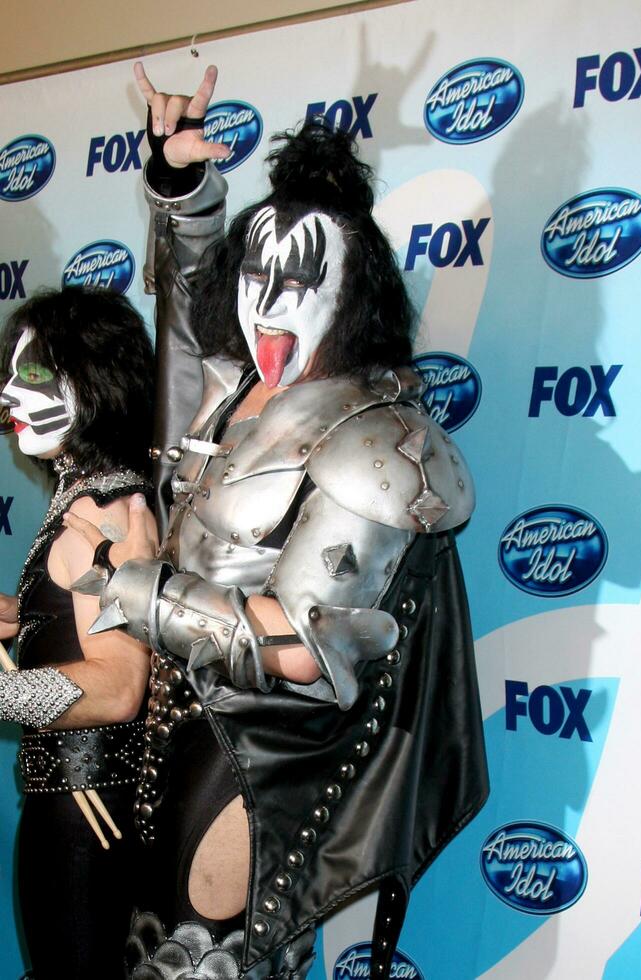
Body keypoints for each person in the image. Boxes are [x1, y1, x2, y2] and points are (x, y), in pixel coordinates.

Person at [68, 65, 489, 980]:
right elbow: (188, 332)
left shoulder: (377, 441)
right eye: (256, 271)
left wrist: (137, 589)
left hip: (254, 756)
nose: (269, 299)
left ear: (356, 294)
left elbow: (307, 648)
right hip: (168, 734)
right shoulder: (235, 399)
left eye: (300, 279)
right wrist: (183, 193)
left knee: (205, 960)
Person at [0, 287, 158, 980]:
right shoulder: (95, 496)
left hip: (84, 824)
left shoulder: (106, 511)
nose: (8, 390)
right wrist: (25, 619)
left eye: (32, 373)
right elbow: (81, 630)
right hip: (70, 814)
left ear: (94, 381)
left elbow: (120, 687)